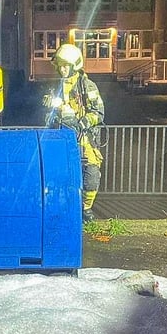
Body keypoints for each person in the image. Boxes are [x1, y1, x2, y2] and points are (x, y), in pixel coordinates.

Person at [43, 43, 105, 223]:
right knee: (61, 175)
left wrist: (83, 122)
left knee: (91, 174)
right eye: (60, 66)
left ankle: (85, 209)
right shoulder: (56, 86)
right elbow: (49, 113)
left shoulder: (87, 86)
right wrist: (50, 105)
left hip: (84, 139)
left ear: (74, 65)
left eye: (66, 66)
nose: (62, 69)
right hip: (61, 139)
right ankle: (64, 209)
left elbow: (98, 113)